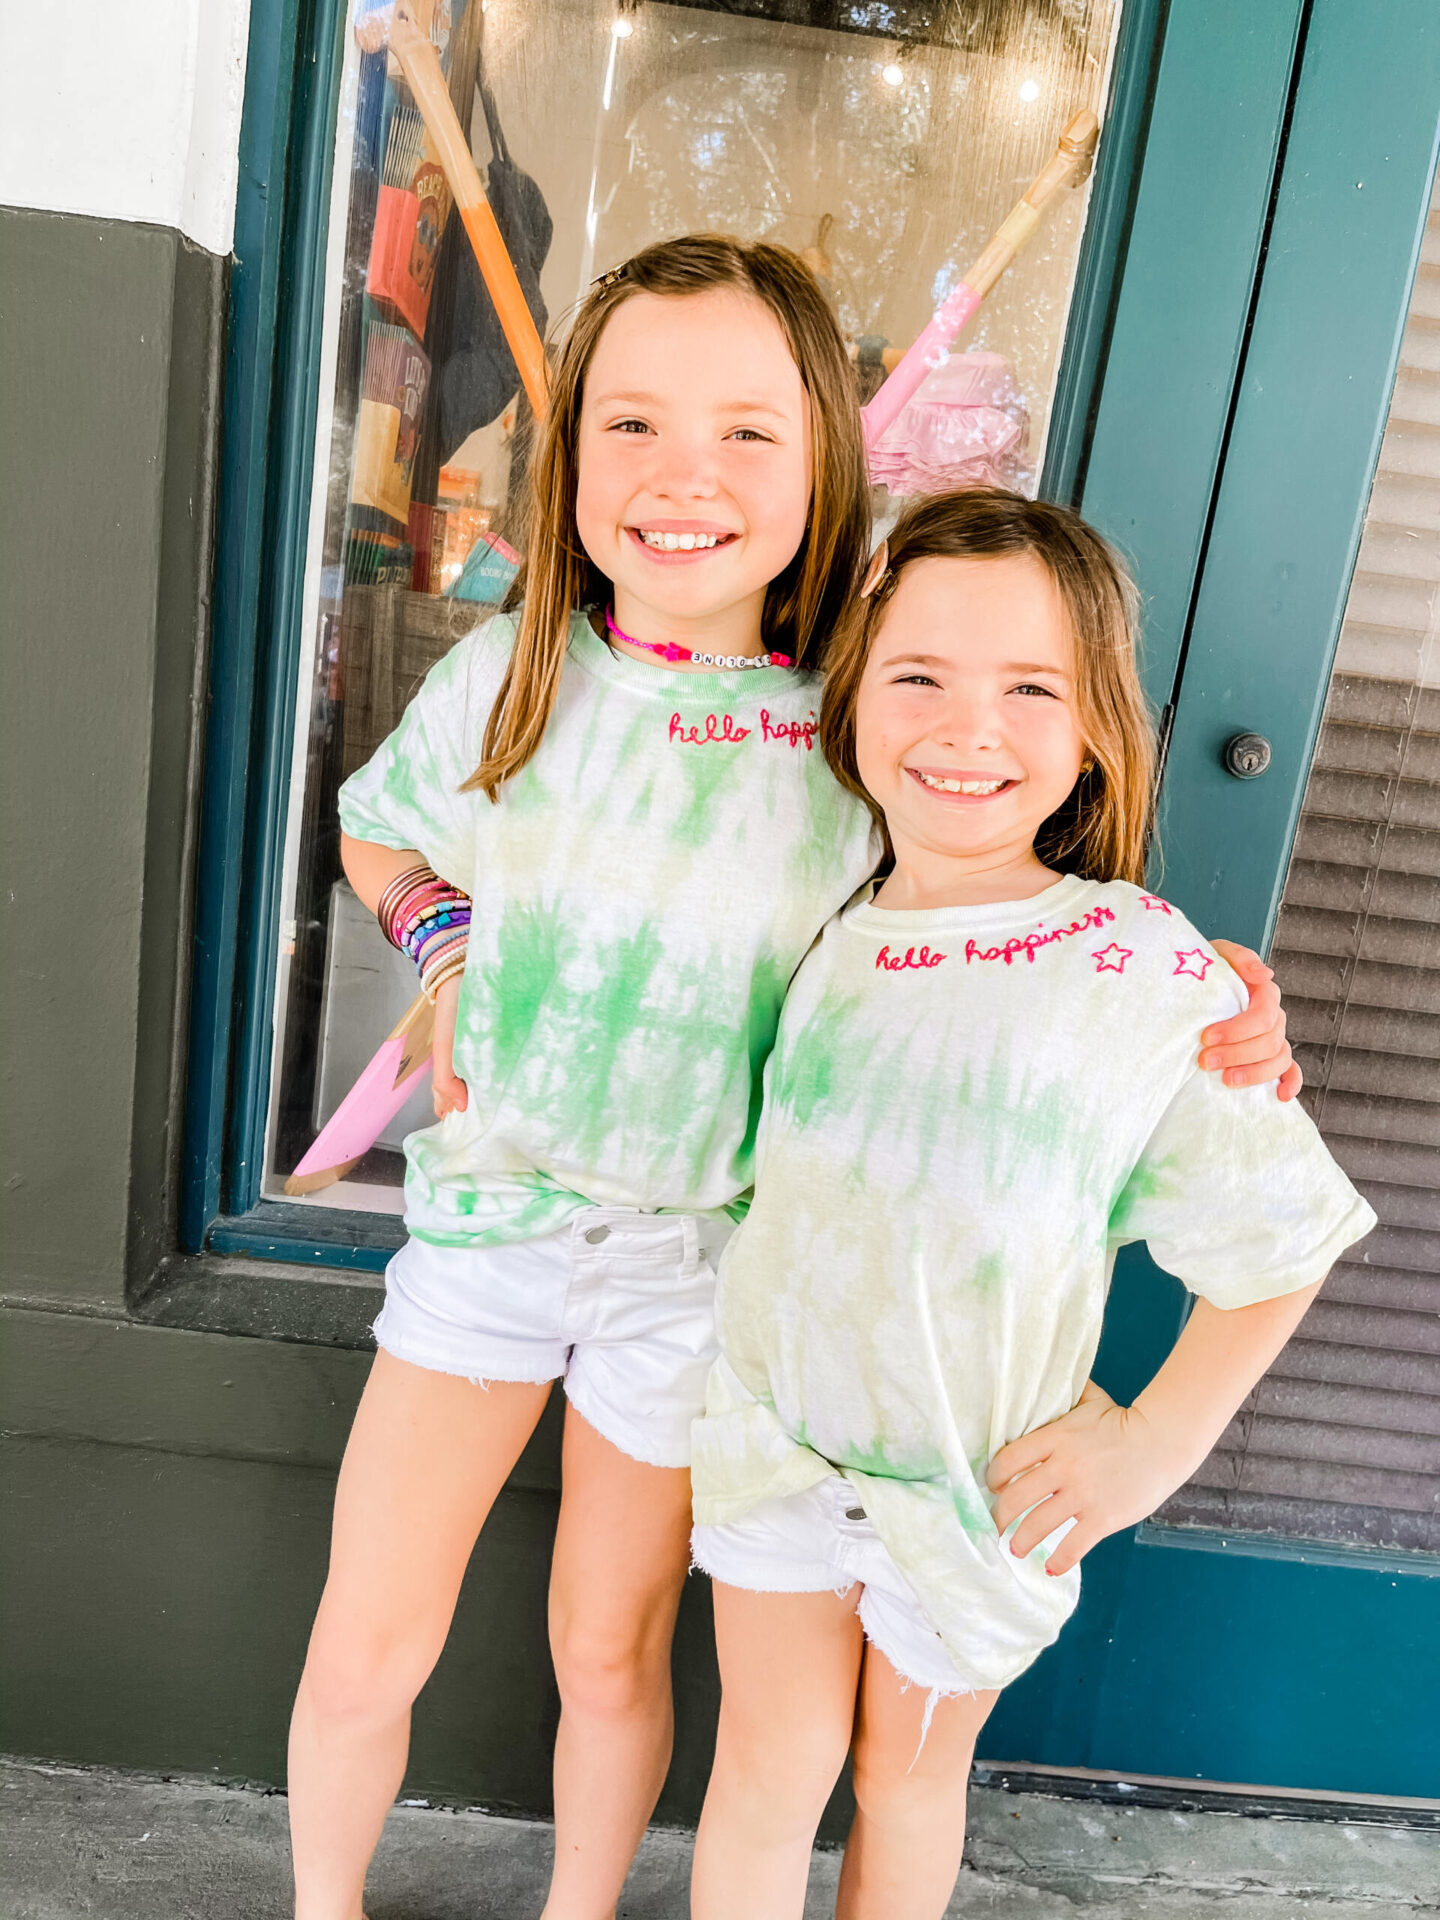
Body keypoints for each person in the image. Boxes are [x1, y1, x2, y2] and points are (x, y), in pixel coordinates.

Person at [288, 239, 1297, 1920]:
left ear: (825, 459)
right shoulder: (506, 677)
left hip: (707, 1278)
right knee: (368, 1637)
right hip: (488, 1233)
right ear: (571, 452)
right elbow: (380, 829)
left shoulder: (856, 726)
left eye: (748, 431)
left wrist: (1210, 997)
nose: (683, 476)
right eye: (632, 424)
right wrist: (449, 944)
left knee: (606, 1650)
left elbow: (996, 910)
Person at [688, 488, 1373, 1920]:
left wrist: (1154, 1444)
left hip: (976, 1496)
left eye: (1029, 689)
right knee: (765, 1767)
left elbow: (1279, 1241)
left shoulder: (1137, 968)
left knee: (906, 1784)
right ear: (852, 697)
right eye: (919, 676)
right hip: (777, 1444)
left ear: (1093, 730)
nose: (967, 728)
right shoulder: (811, 914)